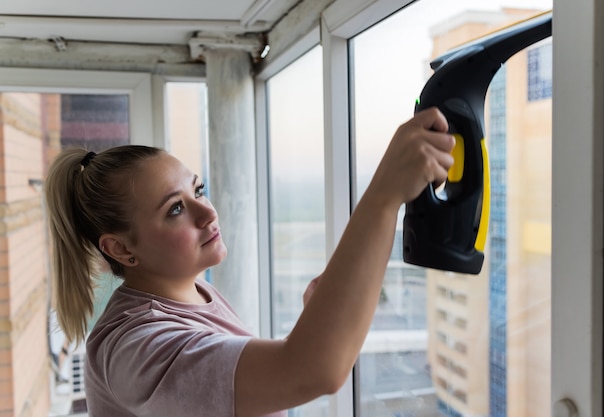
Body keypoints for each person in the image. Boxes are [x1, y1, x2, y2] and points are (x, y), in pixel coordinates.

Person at [44, 107, 455, 417]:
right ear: (120, 250)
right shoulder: (135, 347)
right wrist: (385, 195)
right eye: (174, 210)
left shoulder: (194, 293)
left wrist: (318, 324)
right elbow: (313, 371)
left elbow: (245, 379)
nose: (207, 213)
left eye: (198, 190)